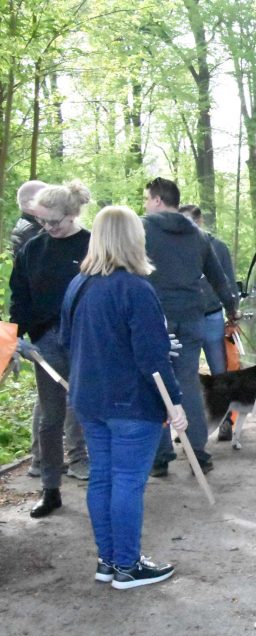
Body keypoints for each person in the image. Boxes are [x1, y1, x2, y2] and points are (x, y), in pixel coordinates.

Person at [61, 206, 186, 589]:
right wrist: (174, 402)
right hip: (129, 403)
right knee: (127, 481)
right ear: (134, 239)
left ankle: (109, 560)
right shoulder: (135, 288)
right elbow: (152, 357)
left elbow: (67, 341)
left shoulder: (78, 284)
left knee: (103, 478)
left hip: (90, 398)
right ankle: (127, 566)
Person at [142, 178, 237, 477]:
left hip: (156, 319)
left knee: (156, 383)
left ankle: (160, 457)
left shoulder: (140, 230)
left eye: (147, 199)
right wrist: (232, 308)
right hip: (192, 318)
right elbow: (219, 279)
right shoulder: (199, 235)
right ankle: (198, 453)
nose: (145, 205)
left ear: (158, 200)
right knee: (188, 384)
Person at [8, 181, 93, 516]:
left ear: (71, 213)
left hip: (87, 340)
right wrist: (16, 339)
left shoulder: (92, 245)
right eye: (41, 221)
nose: (47, 227)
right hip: (46, 342)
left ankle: (102, 480)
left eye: (54, 221)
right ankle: (50, 488)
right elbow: (21, 298)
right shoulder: (33, 249)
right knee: (50, 417)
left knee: (91, 410)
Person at [180, 204, 237, 441]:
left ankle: (225, 421)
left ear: (199, 221)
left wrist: (233, 311)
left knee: (219, 373)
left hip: (212, 315)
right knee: (187, 373)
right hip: (187, 318)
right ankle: (190, 425)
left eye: (188, 222)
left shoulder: (217, 247)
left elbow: (227, 280)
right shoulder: (176, 246)